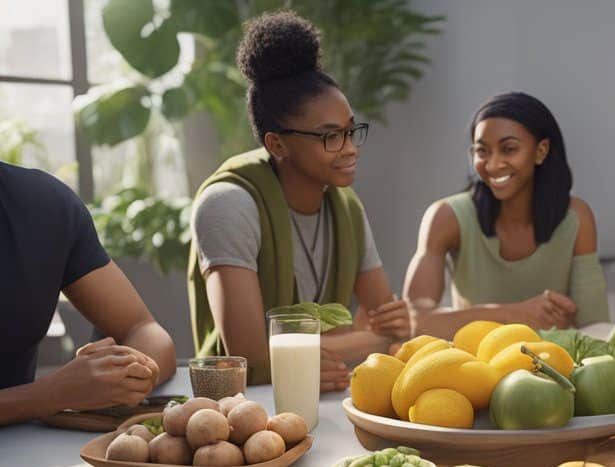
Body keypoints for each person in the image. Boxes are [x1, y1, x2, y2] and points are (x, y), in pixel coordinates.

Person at [188, 11, 409, 390]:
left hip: (331, 397)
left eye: (351, 131)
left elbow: (393, 335)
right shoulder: (228, 204)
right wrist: (360, 340)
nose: (350, 148)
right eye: (330, 137)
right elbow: (251, 360)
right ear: (277, 144)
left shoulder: (346, 206)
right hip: (242, 411)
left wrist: (312, 351)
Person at [404, 92, 610, 337]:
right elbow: (414, 321)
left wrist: (565, 313)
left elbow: (597, 328)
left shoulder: (577, 218)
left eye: (508, 149)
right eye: (482, 151)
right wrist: (512, 314)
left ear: (541, 151)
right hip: (473, 366)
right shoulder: (446, 217)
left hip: (550, 365)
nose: (493, 164)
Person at [0, 161, 176, 426]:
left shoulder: (43, 204)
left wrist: (131, 374)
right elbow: (49, 397)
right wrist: (47, 395)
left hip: (23, 447)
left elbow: (142, 328)